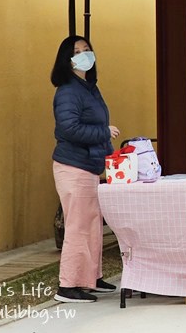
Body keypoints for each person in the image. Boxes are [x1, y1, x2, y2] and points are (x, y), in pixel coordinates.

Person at [50, 35, 117, 304]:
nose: (84, 55)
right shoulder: (67, 90)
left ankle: (91, 278)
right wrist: (104, 132)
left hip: (89, 166)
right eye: (77, 52)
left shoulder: (89, 87)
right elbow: (68, 128)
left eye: (87, 49)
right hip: (73, 167)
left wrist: (111, 155)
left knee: (91, 226)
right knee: (78, 227)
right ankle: (68, 286)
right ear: (67, 60)